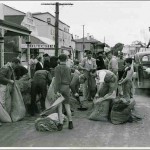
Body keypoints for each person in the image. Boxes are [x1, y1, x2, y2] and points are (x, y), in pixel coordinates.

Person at [54, 54, 73, 131]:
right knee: (67, 105)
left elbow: (57, 80)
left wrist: (56, 91)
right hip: (67, 87)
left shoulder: (57, 68)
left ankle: (61, 124)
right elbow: (70, 79)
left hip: (60, 87)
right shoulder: (68, 68)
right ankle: (70, 122)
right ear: (66, 59)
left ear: (59, 59)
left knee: (60, 106)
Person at [0, 58, 21, 126]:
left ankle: (4, 118)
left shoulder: (10, 68)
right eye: (16, 65)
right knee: (2, 103)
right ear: (14, 63)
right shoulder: (6, 68)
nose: (16, 67)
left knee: (6, 102)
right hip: (2, 86)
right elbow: (0, 77)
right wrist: (9, 81)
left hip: (5, 86)